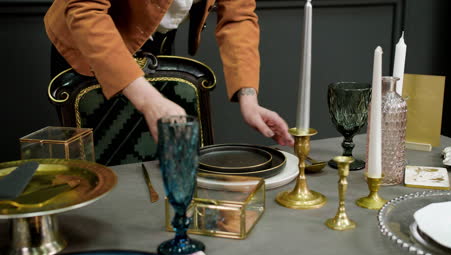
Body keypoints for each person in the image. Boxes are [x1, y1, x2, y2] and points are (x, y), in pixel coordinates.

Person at [44, 0, 295, 146]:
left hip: (156, 42)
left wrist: (248, 98)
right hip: (90, 46)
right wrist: (148, 100)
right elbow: (85, 10)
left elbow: (237, 17)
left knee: (155, 159)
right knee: (104, 162)